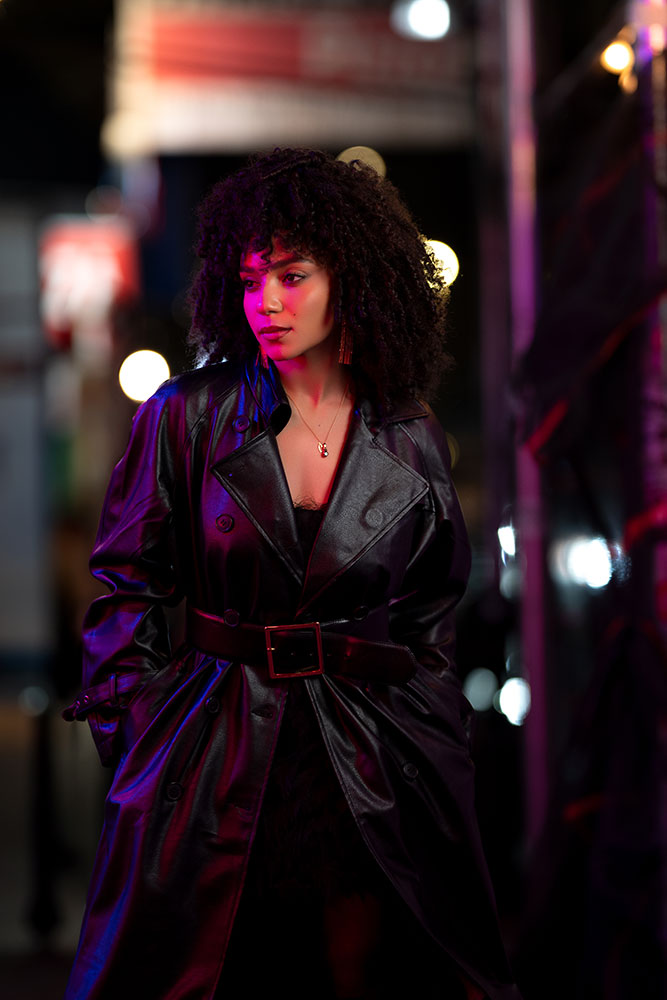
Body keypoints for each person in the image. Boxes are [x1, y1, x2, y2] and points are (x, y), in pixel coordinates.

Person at [63, 147, 522, 1000]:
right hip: (215, 752)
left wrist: (433, 729)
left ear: (349, 278)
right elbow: (125, 587)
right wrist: (139, 739)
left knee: (373, 974)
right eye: (248, 279)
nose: (265, 302)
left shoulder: (405, 430)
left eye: (291, 275)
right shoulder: (185, 416)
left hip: (376, 757)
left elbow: (429, 608)